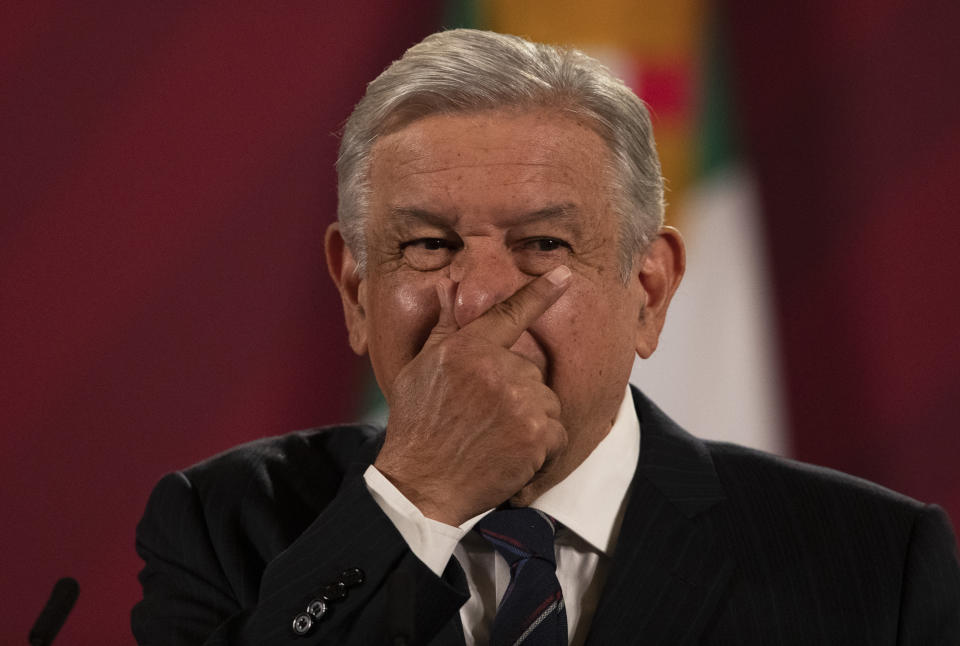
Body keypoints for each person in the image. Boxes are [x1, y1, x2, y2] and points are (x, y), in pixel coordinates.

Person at [132, 29, 960, 645]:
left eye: (544, 245)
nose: (482, 292)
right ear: (355, 289)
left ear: (649, 289)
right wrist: (416, 501)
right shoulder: (220, 526)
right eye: (428, 245)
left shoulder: (874, 564)